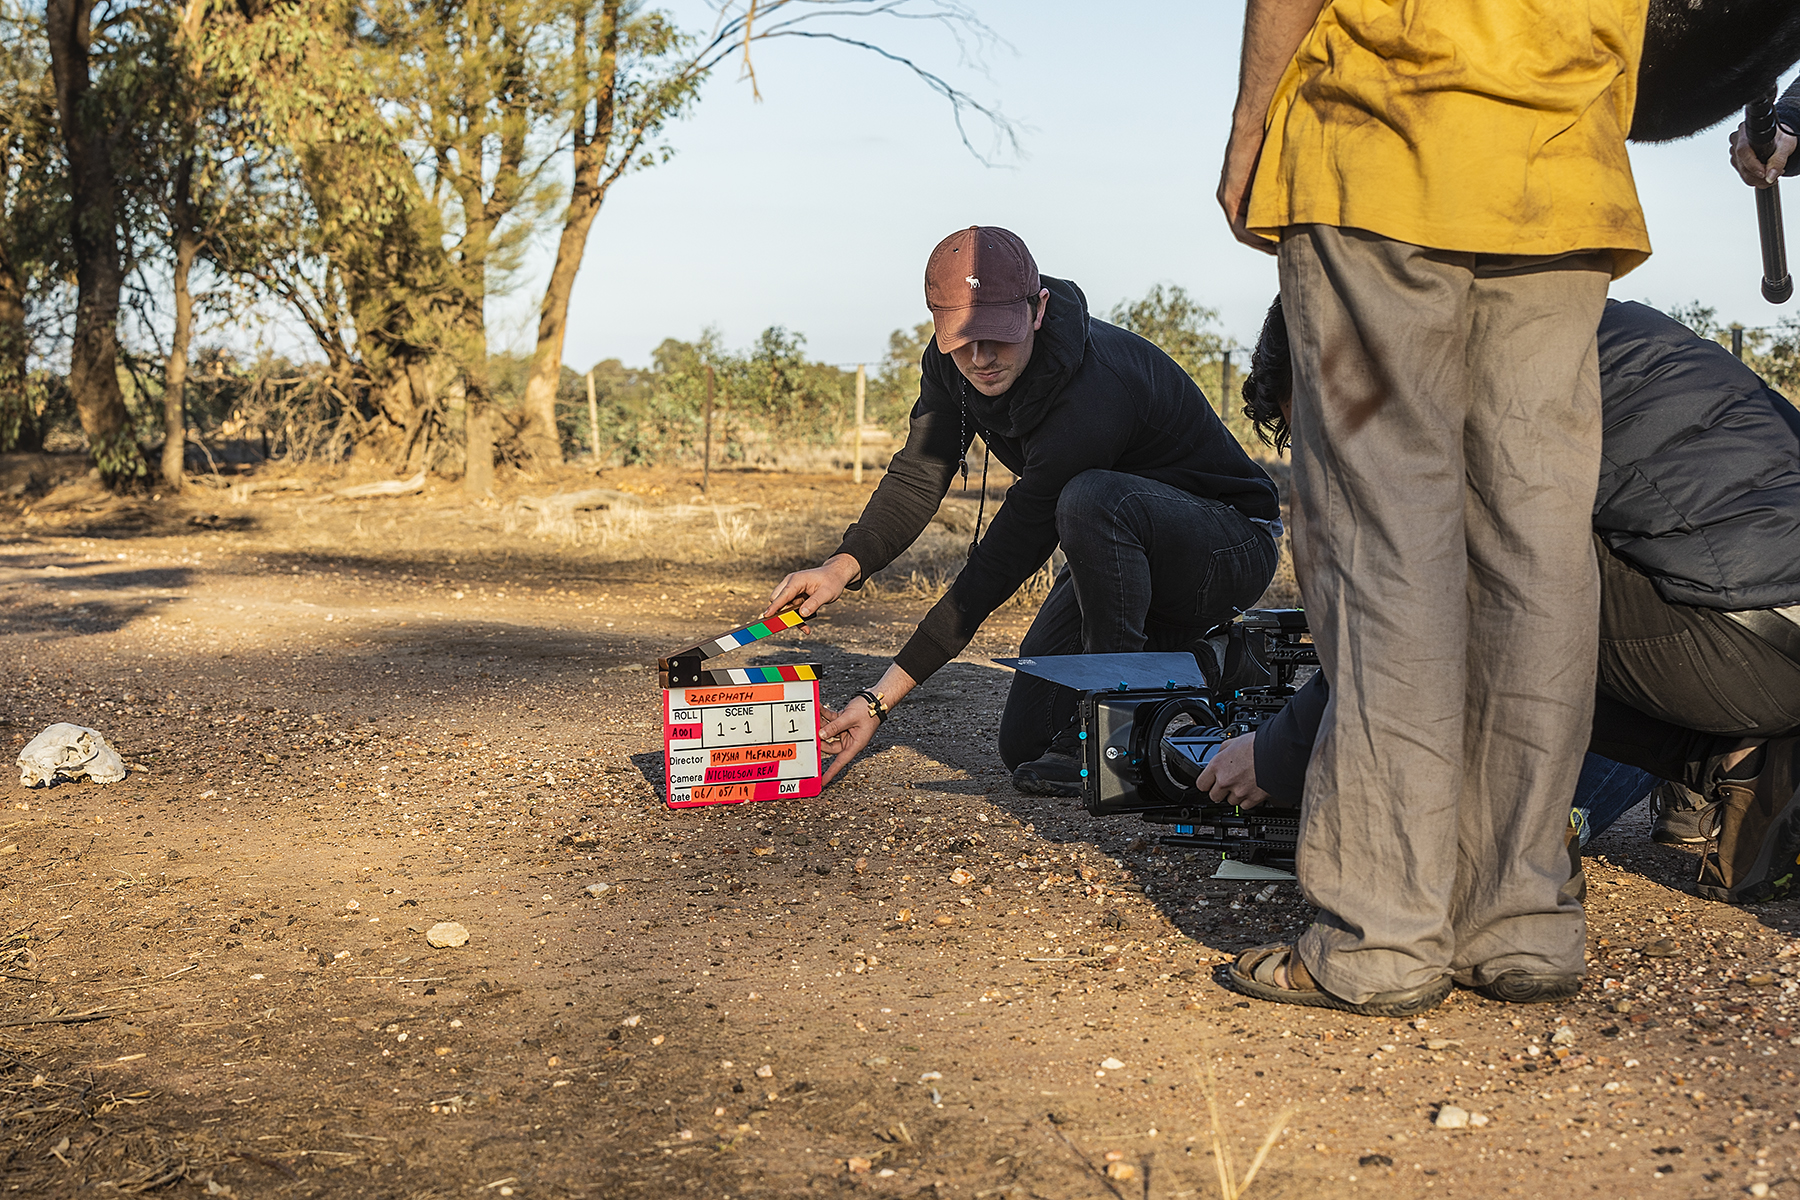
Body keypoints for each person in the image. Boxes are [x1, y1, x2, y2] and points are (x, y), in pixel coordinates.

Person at [1218, 1, 1654, 1015]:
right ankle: (1521, 921)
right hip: (1563, 151)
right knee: (1538, 543)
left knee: (1387, 543)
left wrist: (1252, 128)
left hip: (1383, 135)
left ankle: (1381, 936)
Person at [1198, 298, 1800, 909]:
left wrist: (1274, 754)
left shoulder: (1463, 389)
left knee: (1472, 574)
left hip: (1744, 635)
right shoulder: (1554, 315)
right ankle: (1740, 760)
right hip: (1767, 627)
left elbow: (1415, 608)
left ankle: (1508, 852)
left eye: (1327, 435)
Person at [762, 226, 1281, 793]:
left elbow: (1003, 561)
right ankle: (1190, 664)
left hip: (1227, 545)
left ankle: (1124, 716)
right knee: (1028, 745)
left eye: (999, 338)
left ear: (1038, 310)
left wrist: (879, 699)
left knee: (1089, 497)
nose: (981, 360)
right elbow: (919, 473)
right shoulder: (949, 365)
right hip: (1121, 555)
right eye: (962, 339)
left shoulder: (1093, 391)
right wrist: (842, 565)